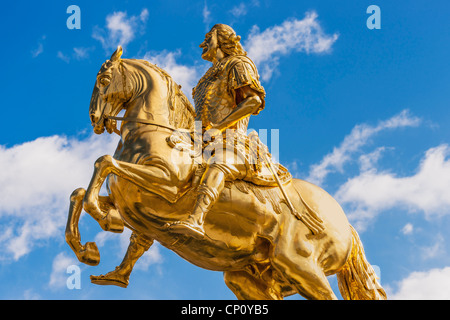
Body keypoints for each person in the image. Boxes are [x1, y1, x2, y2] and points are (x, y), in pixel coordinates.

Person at [168, 24, 274, 238]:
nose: (203, 43)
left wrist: (219, 127)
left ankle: (197, 219)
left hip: (232, 140)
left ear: (222, 39)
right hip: (202, 139)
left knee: (220, 164)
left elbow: (253, 101)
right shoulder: (208, 75)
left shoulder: (239, 63)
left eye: (209, 37)